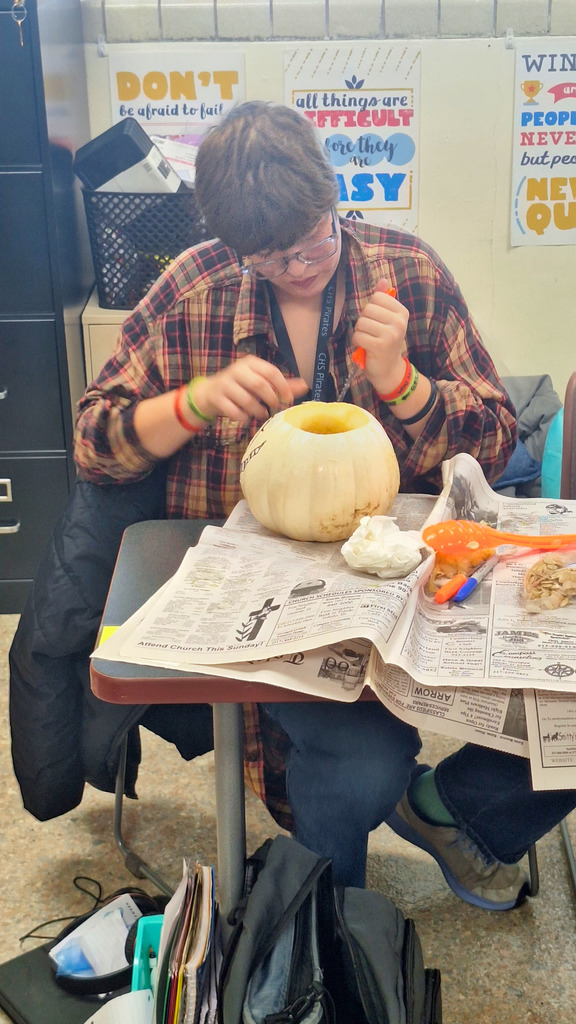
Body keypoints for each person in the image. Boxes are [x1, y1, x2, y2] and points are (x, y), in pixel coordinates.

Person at [75, 101, 576, 906]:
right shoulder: (194, 287)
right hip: (255, 596)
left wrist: (404, 386)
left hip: (398, 582)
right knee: (361, 763)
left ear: (334, 194)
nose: (300, 267)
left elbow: (494, 442)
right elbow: (94, 443)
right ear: (234, 248)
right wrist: (194, 403)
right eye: (269, 259)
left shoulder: (406, 271)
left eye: (312, 241)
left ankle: (454, 812)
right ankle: (325, 919)